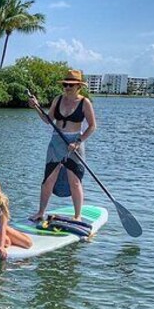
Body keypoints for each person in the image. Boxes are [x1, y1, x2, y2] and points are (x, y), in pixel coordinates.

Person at [28, 69, 97, 221]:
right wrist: (36, 107)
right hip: (56, 142)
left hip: (75, 142)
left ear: (79, 86)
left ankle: (77, 216)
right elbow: (48, 120)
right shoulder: (57, 99)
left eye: (70, 85)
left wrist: (78, 142)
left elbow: (92, 126)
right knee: (48, 180)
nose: (66, 88)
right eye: (65, 85)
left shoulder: (85, 103)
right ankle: (40, 212)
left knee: (75, 180)